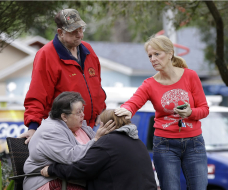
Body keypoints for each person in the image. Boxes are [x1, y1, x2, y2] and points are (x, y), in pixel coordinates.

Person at [114, 35, 209, 190]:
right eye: (150, 56)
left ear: (170, 53)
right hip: (165, 145)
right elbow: (133, 102)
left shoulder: (190, 76)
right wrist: (126, 109)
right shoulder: (149, 84)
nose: (153, 59)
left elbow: (204, 109)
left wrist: (190, 112)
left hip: (194, 143)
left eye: (157, 54)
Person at [20, 8, 106, 144]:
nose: (80, 35)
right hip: (63, 131)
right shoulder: (46, 55)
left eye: (81, 29)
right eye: (74, 31)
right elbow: (37, 93)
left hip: (90, 128)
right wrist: (33, 127)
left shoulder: (88, 50)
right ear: (60, 32)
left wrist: (101, 111)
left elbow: (97, 87)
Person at [40, 109, 157, 190]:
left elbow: (81, 169)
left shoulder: (108, 142)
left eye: (100, 124)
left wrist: (52, 169)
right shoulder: (137, 141)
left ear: (106, 125)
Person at [23, 92, 115, 190]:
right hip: (48, 180)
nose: (83, 115)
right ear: (64, 117)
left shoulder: (80, 128)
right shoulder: (51, 130)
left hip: (74, 178)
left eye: (82, 110)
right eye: (78, 112)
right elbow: (70, 157)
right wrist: (96, 139)